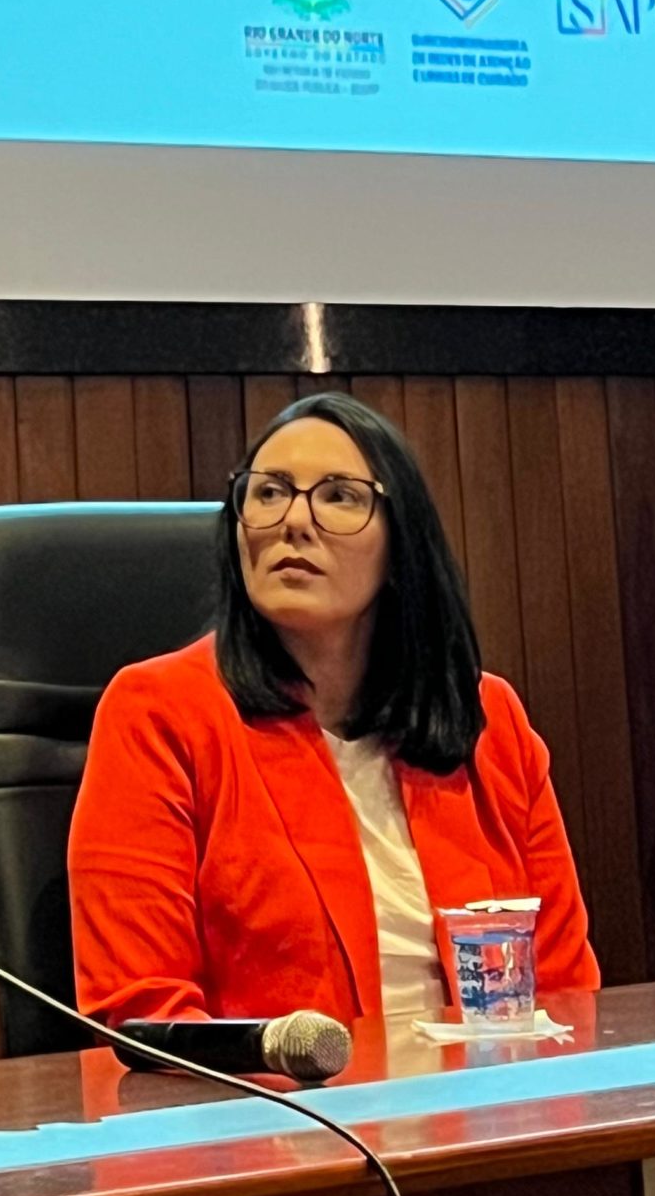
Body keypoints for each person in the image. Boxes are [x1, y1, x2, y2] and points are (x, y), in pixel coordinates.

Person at [68, 391, 597, 1028]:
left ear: (401, 546)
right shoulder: (159, 715)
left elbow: (566, 992)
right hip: (283, 1118)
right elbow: (144, 1015)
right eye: (269, 493)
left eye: (339, 496)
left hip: (492, 1112)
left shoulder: (487, 718)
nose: (294, 520)